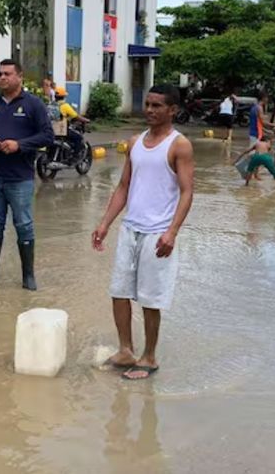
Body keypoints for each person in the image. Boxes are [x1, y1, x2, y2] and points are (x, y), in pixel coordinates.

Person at [91, 85, 195, 380]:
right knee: (119, 292)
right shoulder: (135, 142)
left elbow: (188, 192)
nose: (149, 110)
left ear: (172, 110)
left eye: (157, 106)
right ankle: (126, 350)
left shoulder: (179, 145)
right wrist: (104, 224)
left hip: (157, 233)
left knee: (150, 299)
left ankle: (149, 357)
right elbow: (123, 186)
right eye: (147, 104)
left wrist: (172, 232)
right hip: (130, 228)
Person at [0, 60, 54, 290]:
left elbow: (47, 135)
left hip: (20, 177)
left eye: (7, 74)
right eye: (0, 74)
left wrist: (20, 145)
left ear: (20, 77)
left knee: (24, 224)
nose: (2, 78)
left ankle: (28, 275)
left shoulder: (33, 105)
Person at [53, 86, 89, 157]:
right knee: (78, 137)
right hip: (61, 130)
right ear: (64, 96)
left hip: (50, 129)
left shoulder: (51, 104)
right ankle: (75, 156)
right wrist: (86, 120)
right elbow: (76, 116)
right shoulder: (65, 106)